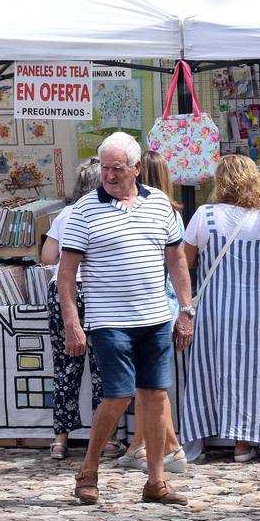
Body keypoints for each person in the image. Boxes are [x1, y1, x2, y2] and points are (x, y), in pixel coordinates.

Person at [60, 132, 195, 506]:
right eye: (104, 167)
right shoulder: (84, 210)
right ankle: (89, 469)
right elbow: (66, 274)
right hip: (109, 320)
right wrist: (73, 322)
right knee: (118, 394)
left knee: (155, 394)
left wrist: (185, 311)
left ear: (136, 168)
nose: (108, 175)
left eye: (117, 168)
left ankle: (156, 480)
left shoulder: (159, 206)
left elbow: (177, 262)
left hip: (154, 318)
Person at [180, 155, 260, 462]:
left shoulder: (205, 215)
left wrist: (184, 307)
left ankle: (203, 437)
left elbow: (184, 264)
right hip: (257, 307)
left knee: (210, 372)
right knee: (255, 374)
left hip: (214, 308)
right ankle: (244, 442)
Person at [114, 150, 188, 473]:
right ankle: (139, 445)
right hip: (167, 302)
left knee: (151, 385)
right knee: (150, 382)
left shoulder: (150, 212)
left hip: (152, 303)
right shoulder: (173, 214)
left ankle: (170, 447)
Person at [40, 157, 118, 460]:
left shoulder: (66, 214)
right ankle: (105, 440)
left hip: (65, 292)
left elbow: (48, 257)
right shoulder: (107, 211)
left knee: (65, 367)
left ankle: (60, 439)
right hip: (98, 293)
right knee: (103, 369)